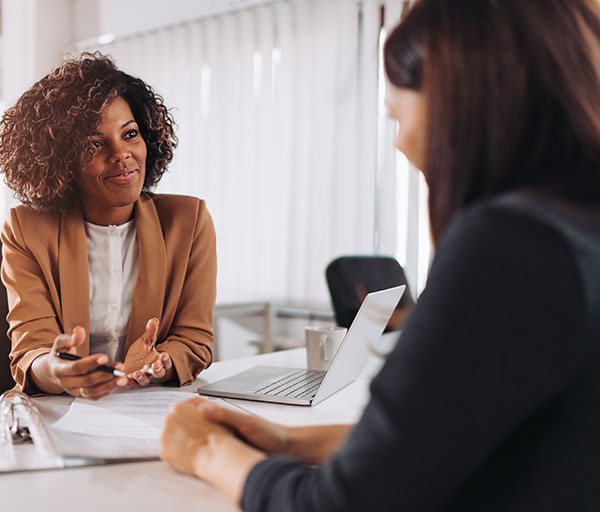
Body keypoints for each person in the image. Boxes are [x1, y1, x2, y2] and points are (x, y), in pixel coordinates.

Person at [160, 0, 600, 510]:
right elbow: (437, 443)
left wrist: (209, 452)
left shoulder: (514, 245)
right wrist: (287, 442)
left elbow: (347, 503)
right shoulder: (573, 229)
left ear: (460, 104)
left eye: (397, 115)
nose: (401, 144)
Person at [0, 53, 216, 400]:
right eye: (95, 144)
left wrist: (161, 363)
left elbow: (194, 339)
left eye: (130, 134)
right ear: (62, 160)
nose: (121, 154)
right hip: (60, 412)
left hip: (151, 410)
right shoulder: (26, 229)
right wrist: (59, 371)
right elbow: (31, 351)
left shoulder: (188, 222)